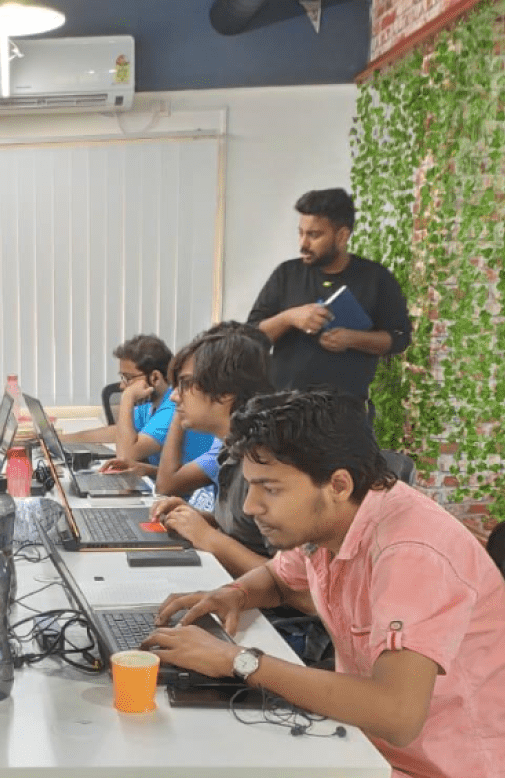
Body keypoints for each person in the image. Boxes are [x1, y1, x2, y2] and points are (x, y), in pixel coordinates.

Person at [144, 389, 505, 778]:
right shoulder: (344, 520)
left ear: (337, 483)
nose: (251, 506)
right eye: (250, 485)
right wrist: (235, 594)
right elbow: (281, 577)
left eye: (269, 488)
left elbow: (397, 714)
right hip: (385, 761)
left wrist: (240, 662)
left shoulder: (411, 552)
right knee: (224, 776)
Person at [247, 188, 411, 403]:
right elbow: (251, 337)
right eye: (300, 233)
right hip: (283, 408)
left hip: (346, 412)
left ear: (342, 236)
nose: (303, 244)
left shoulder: (375, 278)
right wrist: (289, 318)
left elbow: (399, 338)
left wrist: (353, 339)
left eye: (313, 235)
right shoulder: (286, 274)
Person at [149, 322, 274, 577]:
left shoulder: (266, 462)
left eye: (185, 384)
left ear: (225, 392)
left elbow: (295, 581)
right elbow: (247, 533)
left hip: (258, 601)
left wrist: (207, 536)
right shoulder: (230, 449)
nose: (174, 396)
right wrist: (196, 519)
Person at [62, 334, 214, 474]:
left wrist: (127, 397)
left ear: (155, 378)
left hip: (187, 492)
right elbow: (117, 432)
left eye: (128, 378)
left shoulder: (174, 407)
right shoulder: (150, 405)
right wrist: (62, 439)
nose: (122, 386)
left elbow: (126, 455)